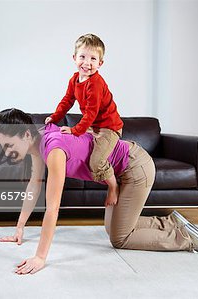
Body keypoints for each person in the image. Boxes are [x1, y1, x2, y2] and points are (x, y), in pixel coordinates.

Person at [0, 108, 198, 275]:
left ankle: (186, 237)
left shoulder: (53, 149)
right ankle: (172, 222)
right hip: (121, 171)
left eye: (8, 145)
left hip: (135, 167)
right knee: (111, 227)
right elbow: (34, 185)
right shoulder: (38, 139)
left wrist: (40, 257)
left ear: (25, 135)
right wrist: (20, 227)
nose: (6, 152)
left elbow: (53, 208)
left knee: (121, 238)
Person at [45, 33, 123, 208]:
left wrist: (75, 130)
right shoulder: (74, 79)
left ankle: (113, 186)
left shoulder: (96, 84)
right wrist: (55, 117)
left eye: (93, 59)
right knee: (76, 146)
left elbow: (91, 113)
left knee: (96, 161)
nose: (87, 63)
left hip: (109, 128)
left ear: (100, 63)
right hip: (93, 126)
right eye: (82, 57)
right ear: (74, 58)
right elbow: (67, 101)